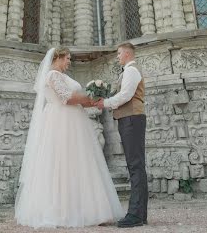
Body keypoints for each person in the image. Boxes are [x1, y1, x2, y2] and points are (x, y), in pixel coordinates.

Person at [15, 47, 125, 227]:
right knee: (62, 163)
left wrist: (94, 98)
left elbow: (72, 97)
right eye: (67, 58)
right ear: (57, 58)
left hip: (73, 121)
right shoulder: (52, 76)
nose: (69, 62)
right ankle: (63, 212)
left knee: (79, 162)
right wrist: (91, 100)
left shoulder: (62, 76)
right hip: (61, 122)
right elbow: (67, 97)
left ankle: (88, 209)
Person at [97, 42, 148, 228]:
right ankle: (140, 214)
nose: (117, 56)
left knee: (135, 166)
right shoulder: (127, 71)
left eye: (119, 53)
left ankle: (135, 215)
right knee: (136, 165)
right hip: (130, 119)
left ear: (127, 54)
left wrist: (106, 103)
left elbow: (126, 95)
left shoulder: (131, 71)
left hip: (132, 119)